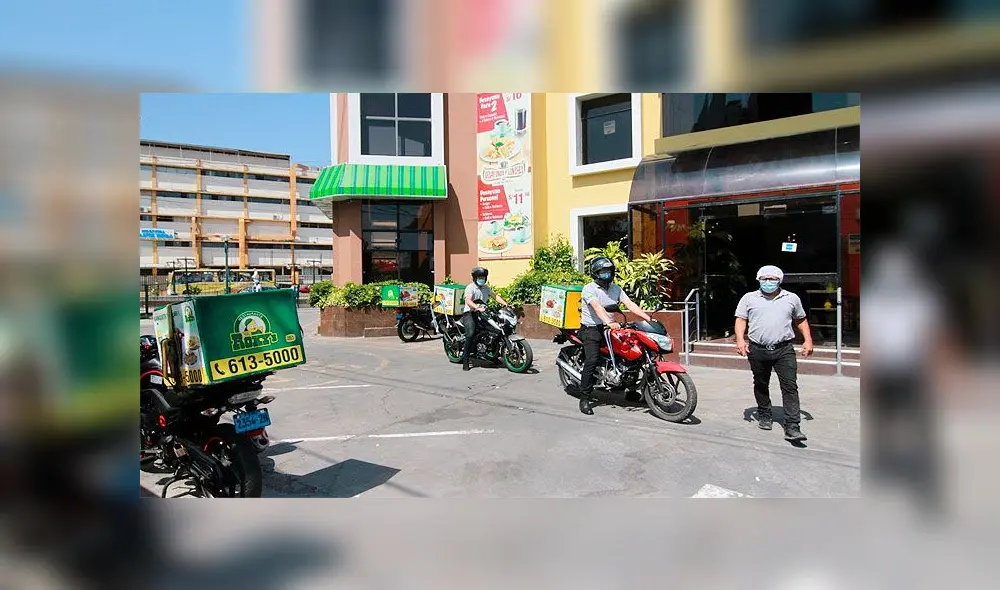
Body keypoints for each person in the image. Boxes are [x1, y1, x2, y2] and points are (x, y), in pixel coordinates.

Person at [734, 265, 813, 442]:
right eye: (764, 279)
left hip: (784, 349)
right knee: (761, 382)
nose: (768, 282)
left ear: (779, 281)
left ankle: (792, 426)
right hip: (758, 349)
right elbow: (741, 319)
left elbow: (800, 319)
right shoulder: (749, 298)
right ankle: (764, 413)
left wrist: (808, 340)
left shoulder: (791, 298)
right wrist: (740, 339)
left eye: (772, 279)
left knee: (790, 386)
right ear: (758, 279)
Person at [568, 256, 652, 415]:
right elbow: (597, 308)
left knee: (630, 355)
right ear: (596, 273)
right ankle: (585, 397)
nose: (607, 274)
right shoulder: (589, 289)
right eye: (603, 272)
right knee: (592, 360)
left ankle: (631, 389)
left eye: (609, 271)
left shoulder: (616, 289)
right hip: (591, 328)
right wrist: (608, 321)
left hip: (610, 329)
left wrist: (648, 318)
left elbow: (630, 304)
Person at [459, 266, 509, 371]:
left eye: (483, 277)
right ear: (475, 278)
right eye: (479, 277)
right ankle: (466, 359)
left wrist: (506, 304)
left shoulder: (486, 288)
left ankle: (492, 356)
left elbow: (495, 296)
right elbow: (468, 300)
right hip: (470, 313)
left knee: (494, 331)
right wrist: (476, 307)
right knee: (471, 333)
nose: (482, 279)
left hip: (482, 313)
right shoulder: (470, 287)